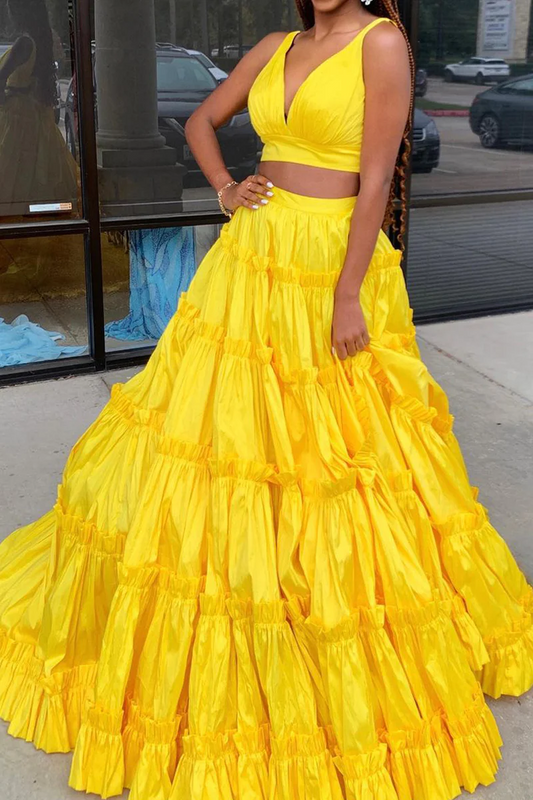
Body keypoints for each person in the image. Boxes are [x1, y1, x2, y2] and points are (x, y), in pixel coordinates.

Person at [0, 2, 531, 800]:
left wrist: (347, 294)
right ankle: (246, 573)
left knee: (331, 450)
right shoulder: (277, 45)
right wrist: (224, 186)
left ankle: (311, 598)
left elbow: (377, 178)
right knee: (223, 435)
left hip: (327, 262)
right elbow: (200, 123)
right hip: (252, 252)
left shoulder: (381, 42)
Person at [0, 0, 77, 215]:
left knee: (13, 168)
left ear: (22, 12)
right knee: (31, 170)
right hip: (31, 115)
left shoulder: (24, 43)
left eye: (12, 9)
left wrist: (3, 101)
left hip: (16, 116)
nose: (10, 14)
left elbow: (1, 76)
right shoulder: (39, 41)